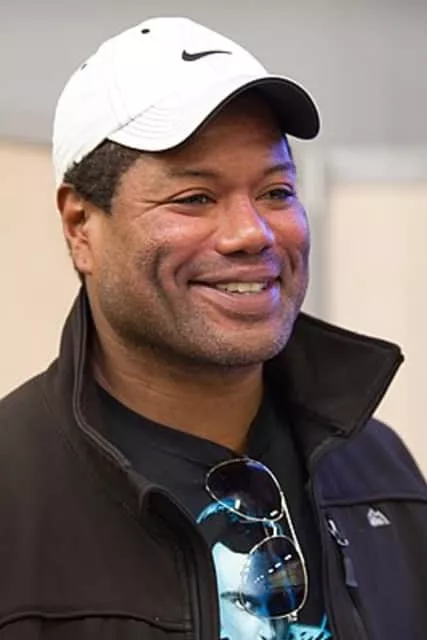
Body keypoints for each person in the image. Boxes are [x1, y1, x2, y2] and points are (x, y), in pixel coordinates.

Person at [0, 15, 426, 640]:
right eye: (195, 198)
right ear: (80, 226)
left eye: (276, 192)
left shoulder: (377, 471)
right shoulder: (15, 495)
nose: (252, 233)